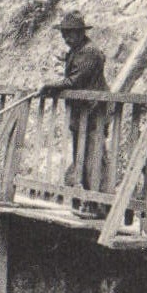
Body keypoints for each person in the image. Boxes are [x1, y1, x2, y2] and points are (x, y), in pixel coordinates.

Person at [44, 10, 110, 191]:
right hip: (82, 112)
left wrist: (50, 86)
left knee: (95, 155)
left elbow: (75, 80)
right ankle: (87, 200)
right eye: (64, 33)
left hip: (93, 111)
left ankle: (100, 203)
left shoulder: (89, 52)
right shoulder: (76, 51)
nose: (66, 37)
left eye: (70, 33)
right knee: (82, 154)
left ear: (81, 32)